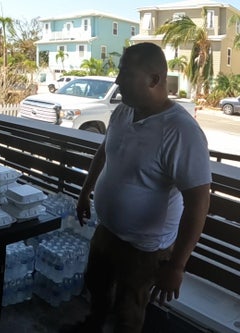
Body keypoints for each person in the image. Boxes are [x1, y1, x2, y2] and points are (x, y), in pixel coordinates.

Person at [63, 43, 212, 333]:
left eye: (125, 73)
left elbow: (199, 204)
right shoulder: (122, 112)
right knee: (96, 288)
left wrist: (177, 266)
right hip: (107, 230)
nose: (117, 81)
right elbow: (104, 152)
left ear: (154, 80)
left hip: (146, 247)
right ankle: (92, 326)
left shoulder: (181, 131)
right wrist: (85, 192)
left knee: (128, 313)